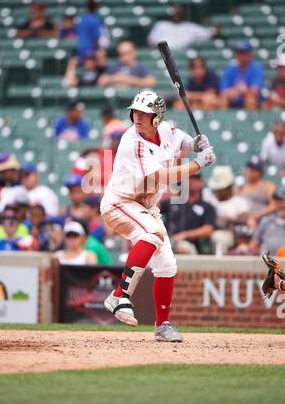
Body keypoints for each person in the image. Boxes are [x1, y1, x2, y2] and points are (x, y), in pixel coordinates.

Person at [100, 90, 215, 341]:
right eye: (135, 112)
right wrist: (198, 164)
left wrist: (196, 144)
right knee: (151, 235)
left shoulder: (166, 131)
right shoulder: (132, 142)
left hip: (145, 207)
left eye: (145, 114)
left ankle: (162, 326)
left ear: (157, 118)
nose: (137, 117)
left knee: (167, 265)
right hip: (120, 202)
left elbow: (182, 140)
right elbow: (162, 177)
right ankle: (119, 295)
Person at [167, 174, 216, 254]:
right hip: (167, 241)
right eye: (187, 178)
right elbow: (154, 207)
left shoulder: (207, 206)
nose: (190, 181)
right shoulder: (173, 202)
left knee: (182, 247)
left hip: (191, 245)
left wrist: (185, 235)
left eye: (194, 178)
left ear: (201, 183)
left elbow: (208, 230)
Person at [207, 165, 250, 254]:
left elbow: (244, 220)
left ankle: (220, 266)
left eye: (222, 188)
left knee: (219, 237)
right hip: (208, 231)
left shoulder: (240, 202)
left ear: (229, 187)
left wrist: (228, 219)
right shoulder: (209, 199)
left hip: (230, 233)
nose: (219, 190)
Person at [147, 4, 218, 51]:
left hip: (184, 54)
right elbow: (150, 40)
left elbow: (211, 33)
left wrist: (213, 22)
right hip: (164, 55)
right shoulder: (161, 24)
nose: (177, 15)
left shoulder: (190, 26)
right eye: (175, 12)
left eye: (179, 12)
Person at [220, 41, 265, 110]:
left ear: (250, 55)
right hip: (233, 98)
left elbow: (255, 91)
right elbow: (224, 91)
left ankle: (251, 120)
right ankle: (223, 120)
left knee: (250, 99)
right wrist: (239, 90)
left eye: (244, 53)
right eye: (239, 53)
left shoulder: (256, 68)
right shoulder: (230, 69)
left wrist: (241, 91)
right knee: (222, 99)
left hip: (249, 99)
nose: (242, 55)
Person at [237, 157, 276, 229]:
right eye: (249, 168)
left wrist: (259, 213)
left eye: (254, 170)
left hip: (261, 219)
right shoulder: (239, 188)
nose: (250, 172)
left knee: (252, 221)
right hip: (241, 219)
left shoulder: (267, 186)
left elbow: (274, 205)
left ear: (260, 172)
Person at [249, 188, 285, 255]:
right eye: (277, 201)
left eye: (282, 201)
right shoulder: (266, 221)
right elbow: (254, 244)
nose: (279, 204)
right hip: (267, 262)